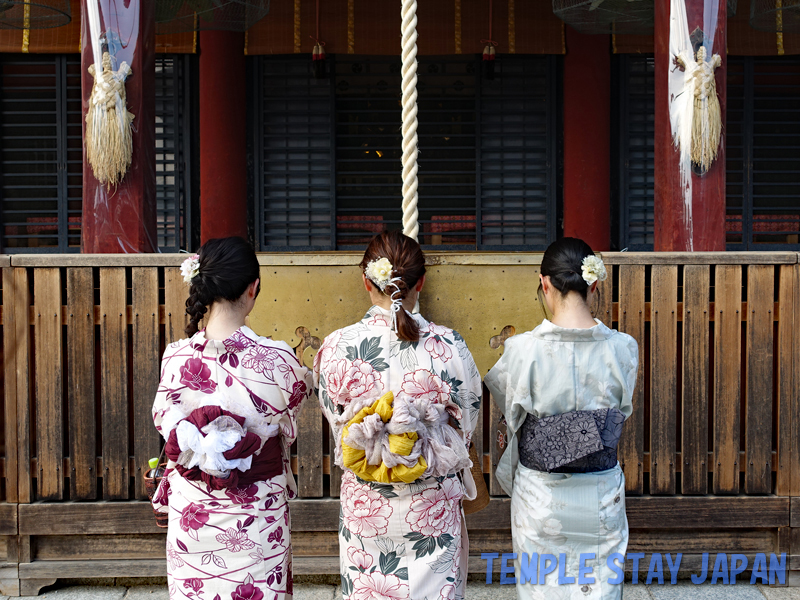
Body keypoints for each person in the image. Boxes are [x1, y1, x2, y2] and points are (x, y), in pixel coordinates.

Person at [313, 230, 482, 600]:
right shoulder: (448, 345)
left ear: (365, 281)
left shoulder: (337, 346)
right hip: (431, 502)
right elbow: (467, 422)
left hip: (367, 502)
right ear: (421, 282)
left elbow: (336, 419)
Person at [151, 237, 312, 600]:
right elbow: (288, 424)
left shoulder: (175, 357)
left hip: (191, 513)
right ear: (253, 288)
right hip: (256, 516)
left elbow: (164, 419)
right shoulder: (277, 359)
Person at [485, 238, 639, 600]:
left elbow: (512, 412)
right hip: (600, 491)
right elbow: (623, 409)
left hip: (543, 496)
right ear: (594, 283)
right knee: (600, 586)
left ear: (545, 284)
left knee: (541, 587)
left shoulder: (521, 349)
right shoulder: (623, 347)